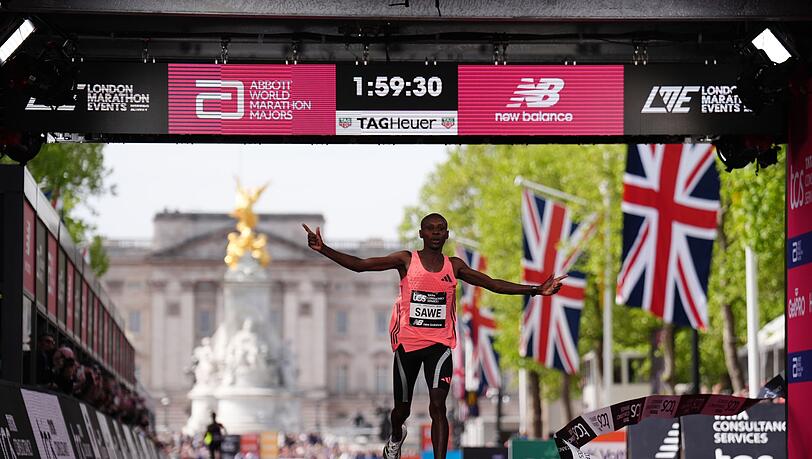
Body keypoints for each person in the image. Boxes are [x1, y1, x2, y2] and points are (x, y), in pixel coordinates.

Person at [303, 213, 566, 459]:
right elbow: (361, 265)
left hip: (439, 345)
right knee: (401, 411)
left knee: (438, 405)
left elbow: (492, 283)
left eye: (441, 229)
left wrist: (536, 290)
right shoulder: (406, 260)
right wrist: (323, 249)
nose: (436, 233)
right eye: (431, 229)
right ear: (422, 234)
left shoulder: (454, 266)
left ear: (447, 234)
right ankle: (396, 436)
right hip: (408, 345)